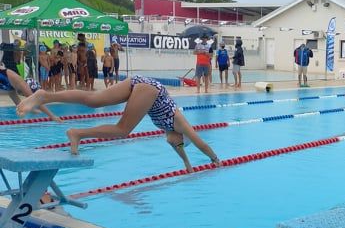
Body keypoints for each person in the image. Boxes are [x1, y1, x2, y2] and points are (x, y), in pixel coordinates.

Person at [17, 75, 221, 172]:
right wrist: (215, 160)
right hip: (150, 90)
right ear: (181, 137)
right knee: (123, 130)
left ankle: (45, 96)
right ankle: (78, 133)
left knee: (93, 100)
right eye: (180, 143)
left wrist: (187, 165)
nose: (177, 144)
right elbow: (201, 142)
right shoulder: (179, 123)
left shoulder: (171, 134)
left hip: (143, 83)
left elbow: (179, 150)